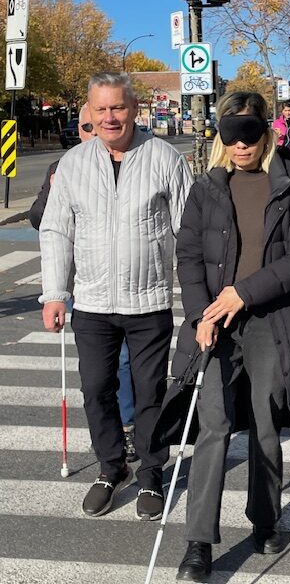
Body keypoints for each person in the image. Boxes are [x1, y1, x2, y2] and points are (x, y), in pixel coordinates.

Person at [154, 91, 290, 581]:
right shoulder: (206, 190)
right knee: (213, 426)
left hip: (269, 321)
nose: (241, 145)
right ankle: (198, 542)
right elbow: (188, 257)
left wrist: (243, 293)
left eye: (249, 132)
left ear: (265, 133)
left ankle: (264, 516)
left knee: (263, 420)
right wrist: (202, 314)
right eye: (231, 134)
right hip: (216, 322)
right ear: (221, 137)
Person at [38, 71, 193, 521]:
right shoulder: (73, 164)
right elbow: (56, 230)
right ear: (90, 112)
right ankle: (111, 468)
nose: (110, 117)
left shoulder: (164, 157)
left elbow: (189, 230)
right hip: (91, 302)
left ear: (134, 109)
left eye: (118, 107)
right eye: (101, 109)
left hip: (148, 302)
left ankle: (151, 472)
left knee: (149, 393)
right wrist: (55, 293)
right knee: (95, 389)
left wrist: (198, 298)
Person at [30, 103, 139, 464]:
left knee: (124, 360)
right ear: (78, 130)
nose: (94, 132)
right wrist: (52, 192)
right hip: (83, 282)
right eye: (86, 127)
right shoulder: (63, 166)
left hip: (126, 281)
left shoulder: (129, 162)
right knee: (98, 370)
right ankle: (109, 433)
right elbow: (39, 219)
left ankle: (128, 425)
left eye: (98, 125)